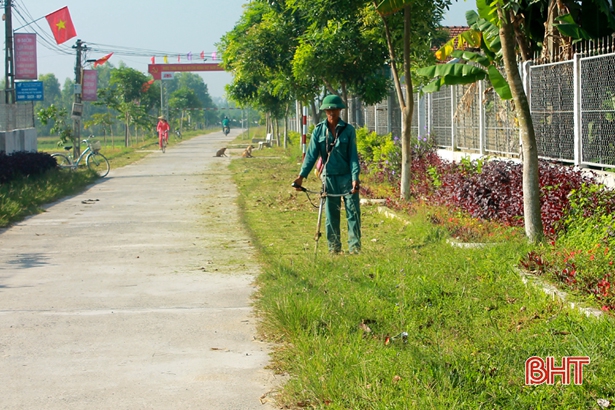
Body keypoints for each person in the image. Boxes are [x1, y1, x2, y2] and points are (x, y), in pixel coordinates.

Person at [293, 95, 361, 254]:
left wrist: (355, 178)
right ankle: (334, 249)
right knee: (331, 216)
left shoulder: (348, 130)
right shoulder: (318, 131)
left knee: (353, 213)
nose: (332, 112)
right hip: (329, 178)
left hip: (347, 177)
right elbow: (310, 156)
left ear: (340, 110)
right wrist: (301, 177)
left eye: (334, 109)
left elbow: (353, 156)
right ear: (324, 111)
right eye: (329, 109)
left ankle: (355, 249)